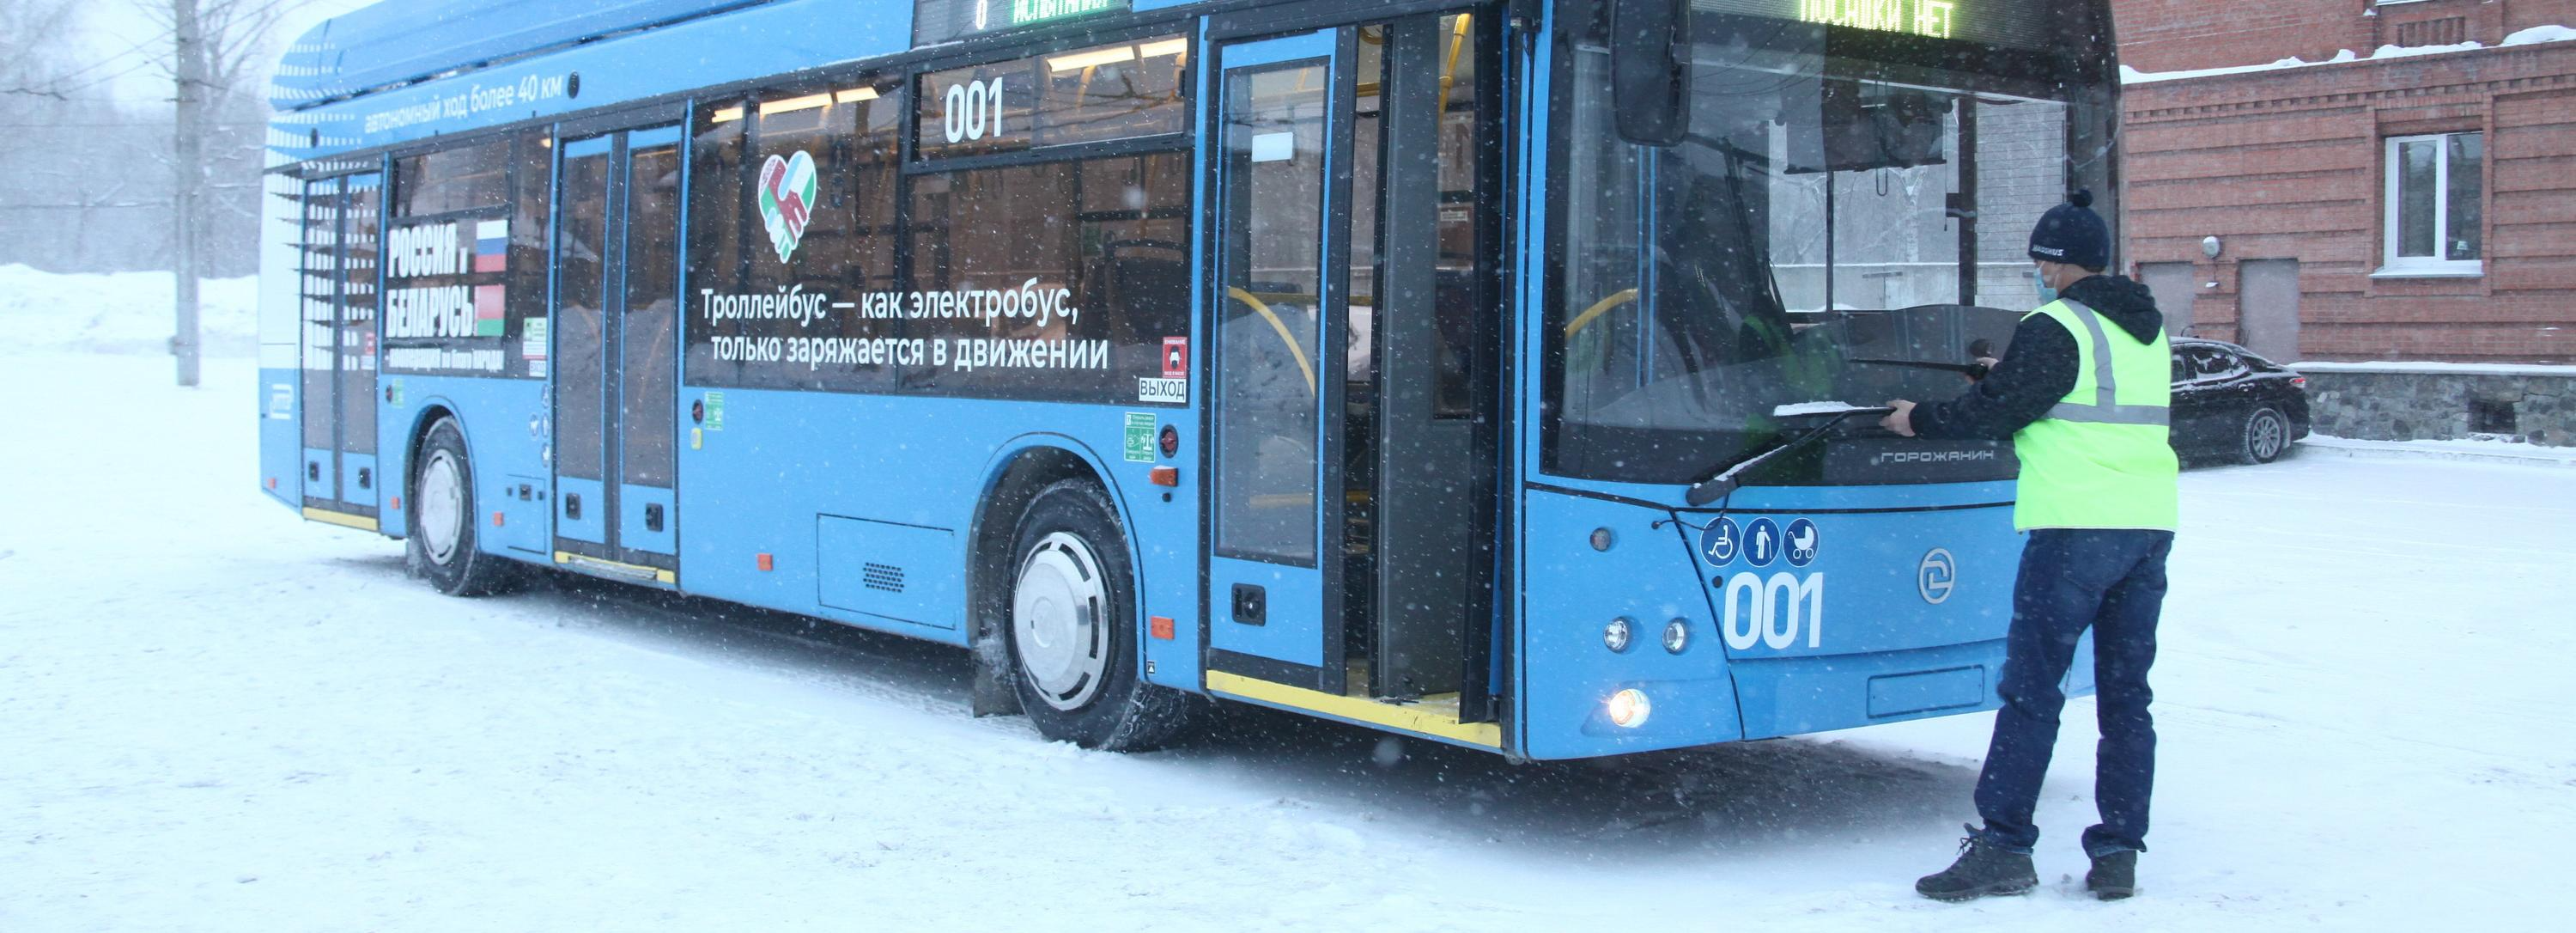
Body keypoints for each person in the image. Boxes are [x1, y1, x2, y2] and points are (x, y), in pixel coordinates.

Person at [1879, 191, 2179, 903]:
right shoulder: (2147, 331)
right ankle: (2118, 850)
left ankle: (2004, 846)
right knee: (2127, 697)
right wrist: (2006, 378)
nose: (2037, 274)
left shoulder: (2057, 324)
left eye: (2040, 261)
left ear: (2054, 263)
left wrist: (1918, 418)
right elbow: (2076, 402)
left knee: (2031, 691)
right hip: (2147, 529)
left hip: (2075, 531)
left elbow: (2000, 412)